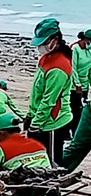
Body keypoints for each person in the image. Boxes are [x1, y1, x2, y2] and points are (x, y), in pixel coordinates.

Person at [26, 18, 73, 167]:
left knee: (51, 164)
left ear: (55, 39)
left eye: (44, 42)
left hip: (53, 122)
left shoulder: (59, 66)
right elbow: (38, 91)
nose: (41, 46)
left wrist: (35, 125)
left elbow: (49, 100)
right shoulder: (46, 58)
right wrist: (31, 116)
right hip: (40, 119)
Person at [68, 30, 91, 137]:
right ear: (85, 39)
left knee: (82, 111)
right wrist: (77, 85)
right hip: (74, 85)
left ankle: (78, 133)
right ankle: (72, 133)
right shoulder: (75, 49)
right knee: (75, 110)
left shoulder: (89, 50)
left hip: (85, 84)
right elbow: (73, 68)